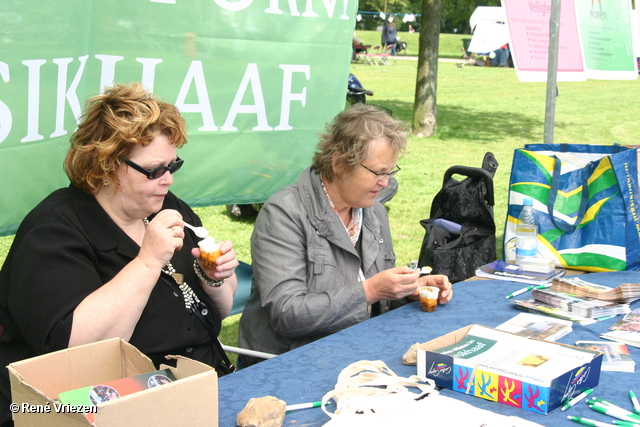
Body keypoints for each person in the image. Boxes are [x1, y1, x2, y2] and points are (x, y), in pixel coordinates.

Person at [0, 83, 238, 426]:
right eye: (155, 170)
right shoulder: (53, 232)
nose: (168, 180)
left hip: (195, 392)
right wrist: (148, 260)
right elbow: (77, 356)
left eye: (174, 165)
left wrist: (214, 277)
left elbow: (223, 307)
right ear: (107, 165)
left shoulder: (166, 206)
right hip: (102, 411)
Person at [237, 104, 452, 367]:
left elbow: (375, 293)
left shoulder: (373, 212)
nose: (385, 183)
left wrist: (408, 289)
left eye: (389, 172)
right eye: (378, 172)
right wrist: (370, 291)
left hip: (356, 353)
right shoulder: (284, 213)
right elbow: (287, 314)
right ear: (339, 163)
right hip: (290, 364)